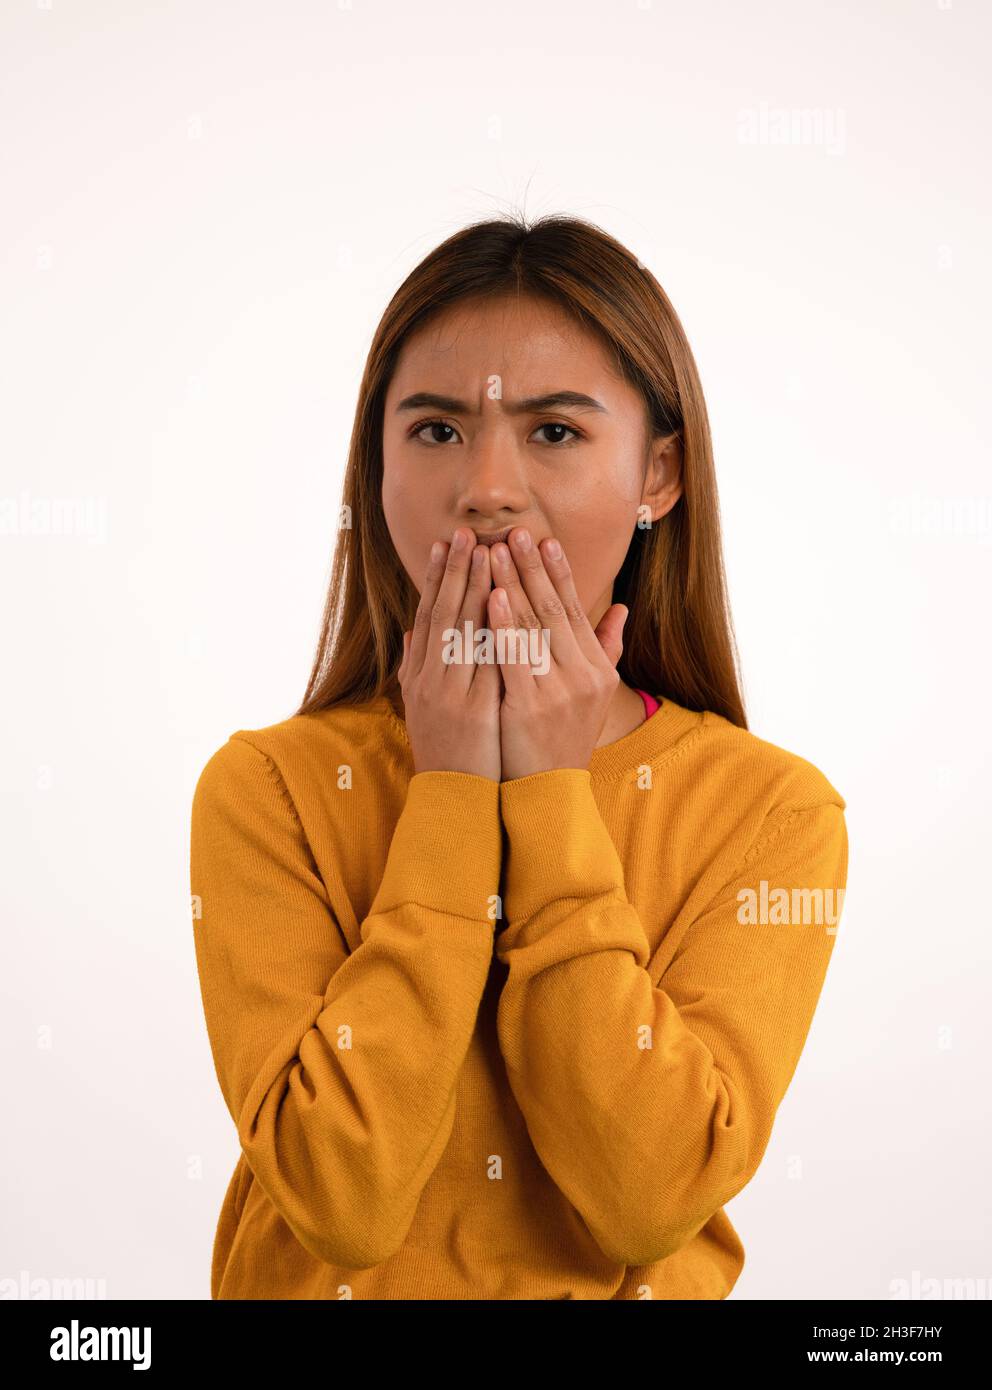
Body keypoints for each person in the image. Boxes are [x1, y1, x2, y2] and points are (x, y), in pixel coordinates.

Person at [189, 213, 848, 1300]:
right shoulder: (268, 792)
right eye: (436, 431)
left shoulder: (769, 813)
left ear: (659, 476)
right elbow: (341, 1201)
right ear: (375, 468)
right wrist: (449, 792)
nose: (486, 488)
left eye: (552, 432)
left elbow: (643, 1196)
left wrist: (547, 792)